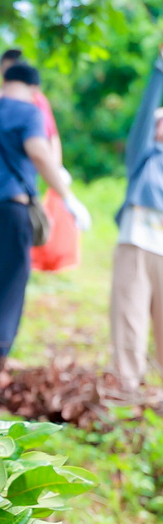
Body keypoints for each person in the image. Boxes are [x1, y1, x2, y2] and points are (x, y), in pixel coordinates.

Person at [0, 64, 90, 386]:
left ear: (3, 82)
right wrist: (68, 196)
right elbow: (39, 152)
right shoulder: (29, 112)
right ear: (35, 89)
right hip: (8, 211)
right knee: (5, 292)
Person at [110, 47, 163, 393]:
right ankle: (126, 391)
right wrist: (159, 69)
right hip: (140, 240)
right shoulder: (145, 159)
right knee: (129, 319)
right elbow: (144, 119)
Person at [0, 48, 63, 166]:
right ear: (0, 70)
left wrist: (56, 168)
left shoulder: (36, 98)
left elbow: (51, 135)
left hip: (27, 166)